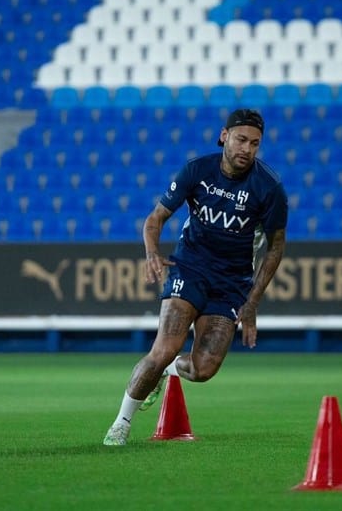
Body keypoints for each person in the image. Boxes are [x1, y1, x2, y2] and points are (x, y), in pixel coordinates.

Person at [103, 108, 288, 446]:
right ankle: (121, 423)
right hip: (189, 268)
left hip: (232, 283)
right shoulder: (197, 171)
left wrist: (252, 301)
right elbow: (156, 218)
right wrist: (152, 252)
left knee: (203, 370)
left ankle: (170, 370)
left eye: (255, 144)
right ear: (224, 136)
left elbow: (275, 249)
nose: (247, 149)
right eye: (241, 139)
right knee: (163, 347)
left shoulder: (270, 188)